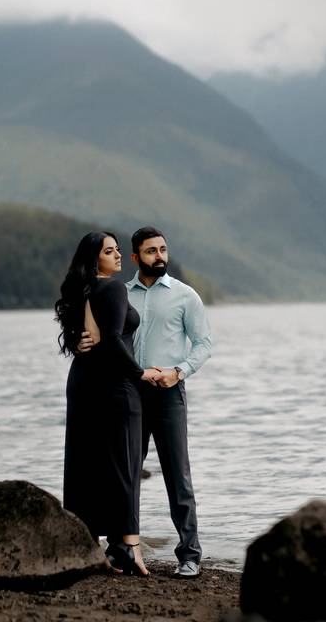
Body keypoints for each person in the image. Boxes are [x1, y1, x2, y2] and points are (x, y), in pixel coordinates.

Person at [80, 227, 212, 579]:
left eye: (163, 249)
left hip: (169, 393)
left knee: (177, 475)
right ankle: (120, 547)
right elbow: (101, 338)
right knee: (124, 474)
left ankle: (189, 554)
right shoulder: (118, 292)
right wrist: (81, 344)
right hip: (127, 394)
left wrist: (178, 372)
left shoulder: (186, 296)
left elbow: (204, 344)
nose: (160, 256)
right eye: (151, 251)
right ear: (136, 257)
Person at [54, 231, 160, 576]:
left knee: (85, 464)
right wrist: (140, 374)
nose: (118, 257)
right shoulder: (114, 287)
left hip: (84, 383)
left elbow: (86, 339)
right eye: (110, 252)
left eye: (117, 251)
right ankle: (129, 548)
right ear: (94, 258)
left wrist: (78, 341)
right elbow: (113, 341)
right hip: (115, 385)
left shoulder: (82, 289)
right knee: (124, 465)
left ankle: (91, 545)